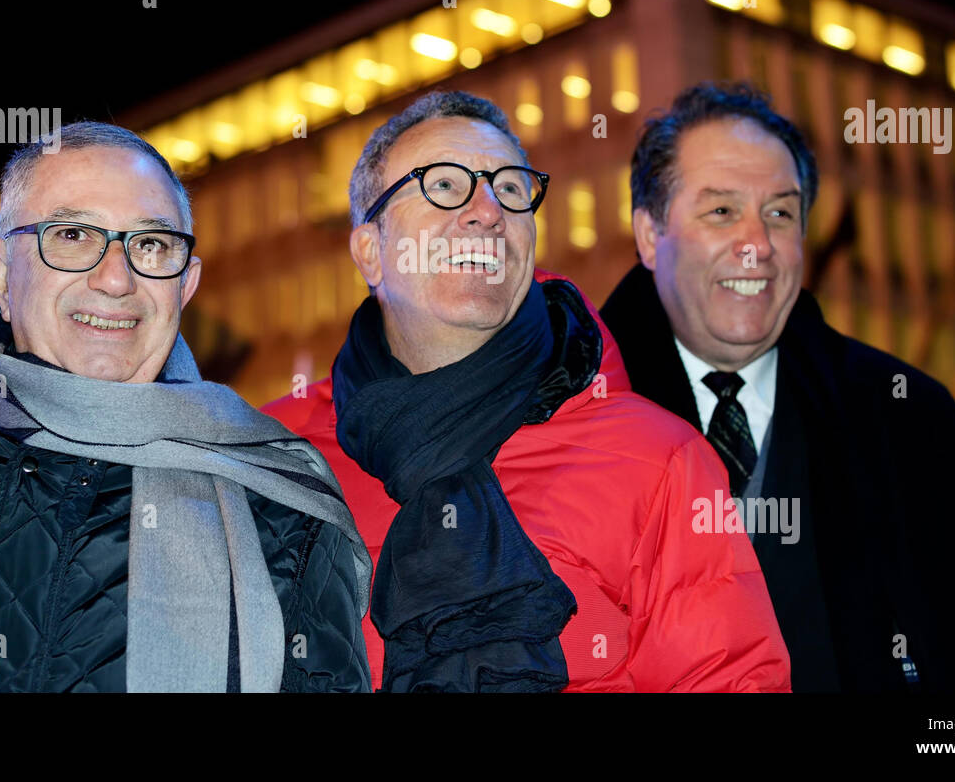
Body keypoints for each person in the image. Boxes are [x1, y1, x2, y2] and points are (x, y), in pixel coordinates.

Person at [0, 122, 370, 692]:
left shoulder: (284, 507)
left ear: (186, 285)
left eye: (150, 244)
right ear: (0, 271)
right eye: (72, 235)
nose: (116, 278)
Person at [263, 90, 790, 692]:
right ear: (371, 251)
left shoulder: (659, 457)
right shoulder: (276, 456)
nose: (487, 211)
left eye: (510, 189)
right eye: (442, 185)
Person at [600, 81, 955, 691]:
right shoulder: (573, 425)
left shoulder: (910, 419)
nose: (758, 245)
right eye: (721, 211)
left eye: (780, 213)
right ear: (648, 236)